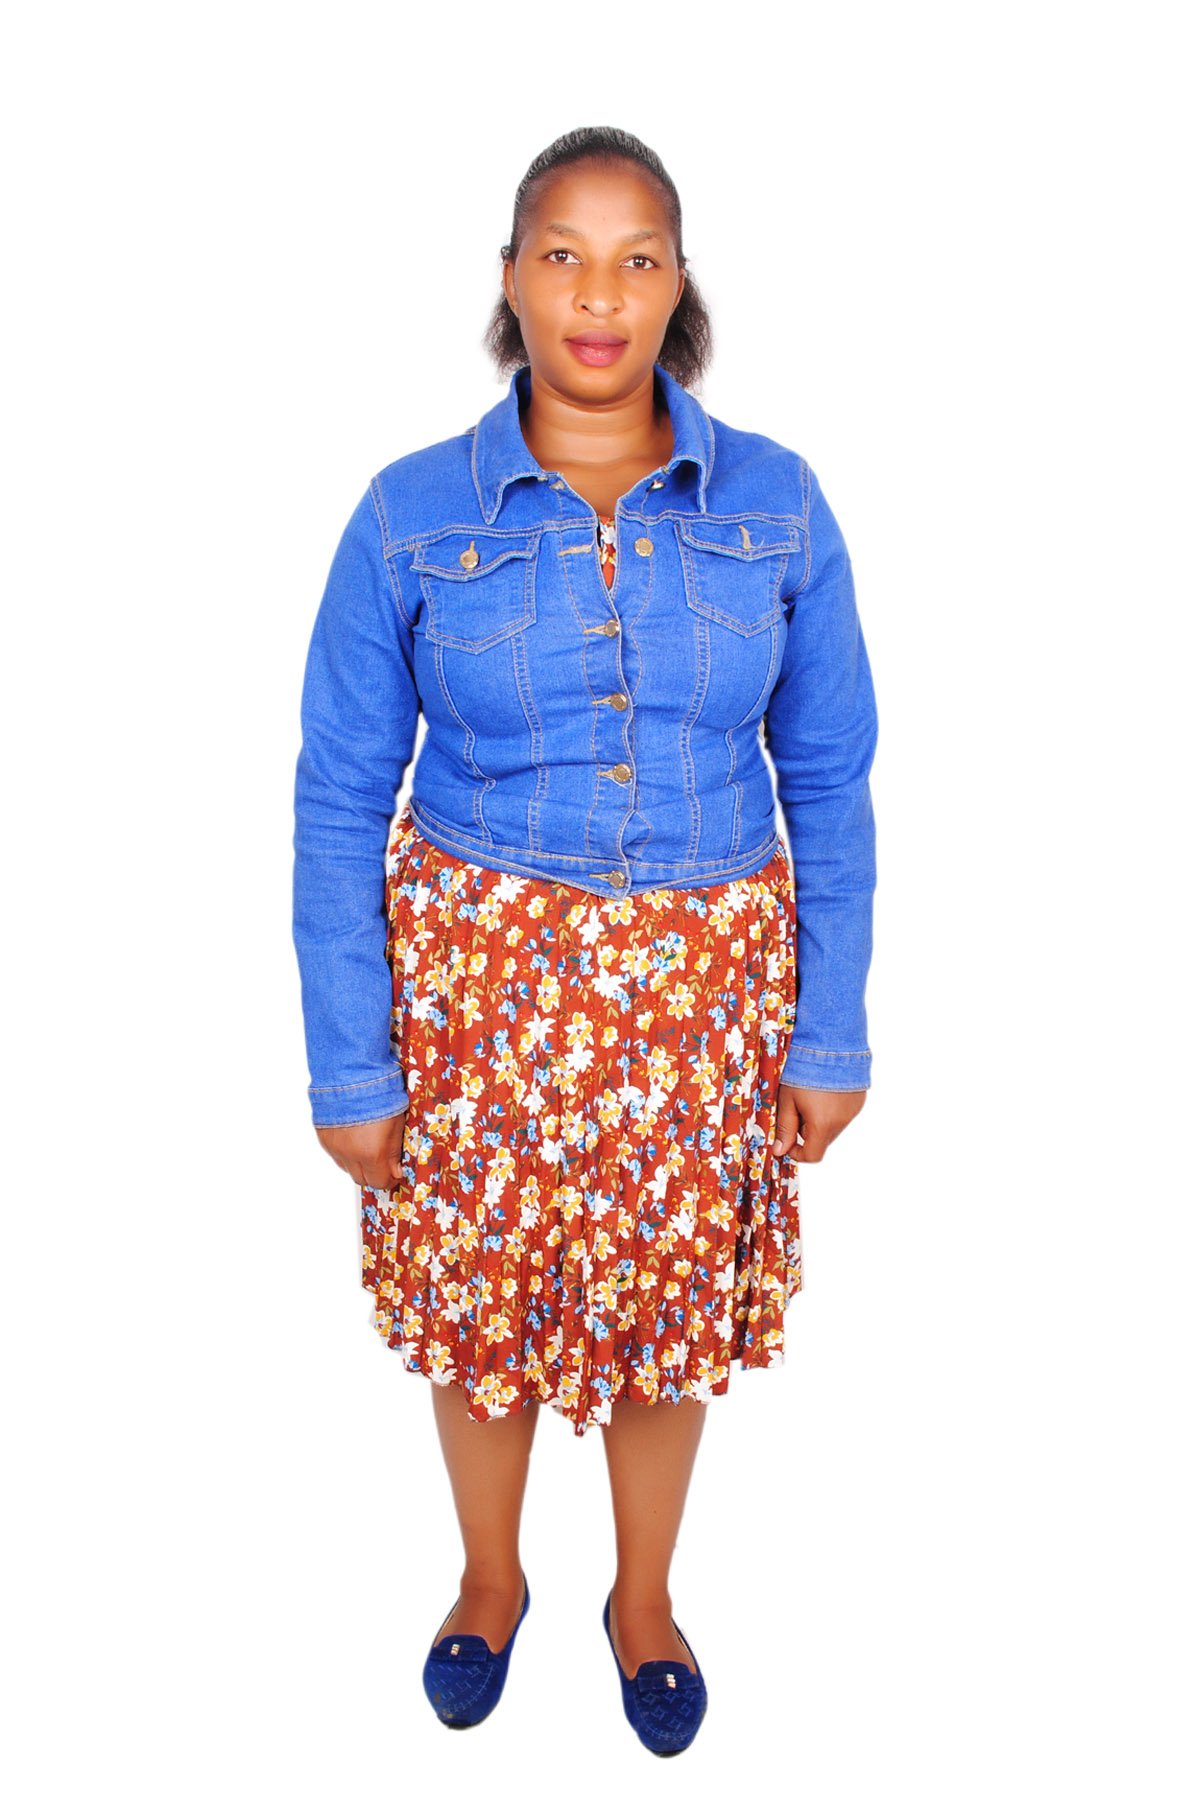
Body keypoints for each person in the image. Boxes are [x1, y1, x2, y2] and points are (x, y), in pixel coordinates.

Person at [291, 124, 878, 1755]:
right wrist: (350, 1061)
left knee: (664, 1313)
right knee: (480, 1309)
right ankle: (490, 1581)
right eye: (563, 255)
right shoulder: (410, 514)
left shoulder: (779, 504)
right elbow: (338, 794)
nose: (599, 295)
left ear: (678, 284)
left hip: (701, 1003)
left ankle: (644, 1599)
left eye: (635, 259)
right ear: (511, 280)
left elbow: (831, 776)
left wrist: (830, 1030)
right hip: (480, 999)